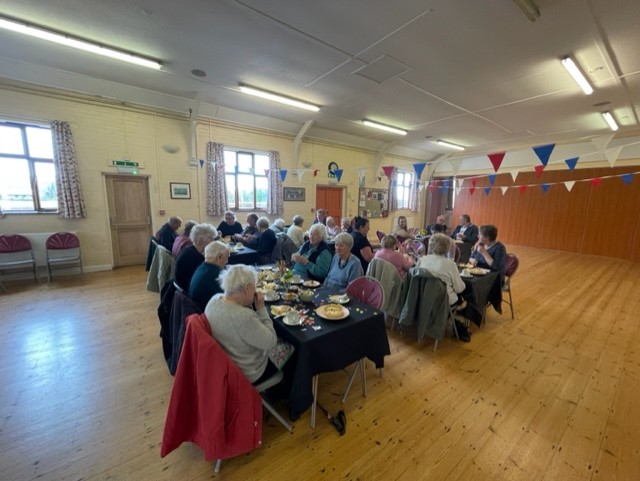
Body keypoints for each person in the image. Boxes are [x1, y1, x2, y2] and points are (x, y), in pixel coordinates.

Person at [204, 265, 279, 384]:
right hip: (249, 372)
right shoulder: (244, 317)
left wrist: (248, 302)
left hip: (226, 362)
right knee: (286, 345)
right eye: (254, 286)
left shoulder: (214, 299)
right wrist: (261, 308)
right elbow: (271, 341)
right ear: (247, 288)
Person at [417, 234, 466, 306]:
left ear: (431, 246)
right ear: (448, 248)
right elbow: (460, 289)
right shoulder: (450, 265)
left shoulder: (422, 260)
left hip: (422, 299)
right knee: (463, 298)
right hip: (443, 302)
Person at [174, 223, 217, 292]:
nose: (213, 242)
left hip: (183, 289)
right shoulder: (193, 257)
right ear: (201, 240)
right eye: (211, 239)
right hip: (189, 294)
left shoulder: (189, 249)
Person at [189, 241, 231, 311]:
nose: (227, 261)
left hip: (197, 309)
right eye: (227, 257)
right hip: (208, 313)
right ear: (219, 257)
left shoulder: (201, 267)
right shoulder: (216, 275)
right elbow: (228, 298)